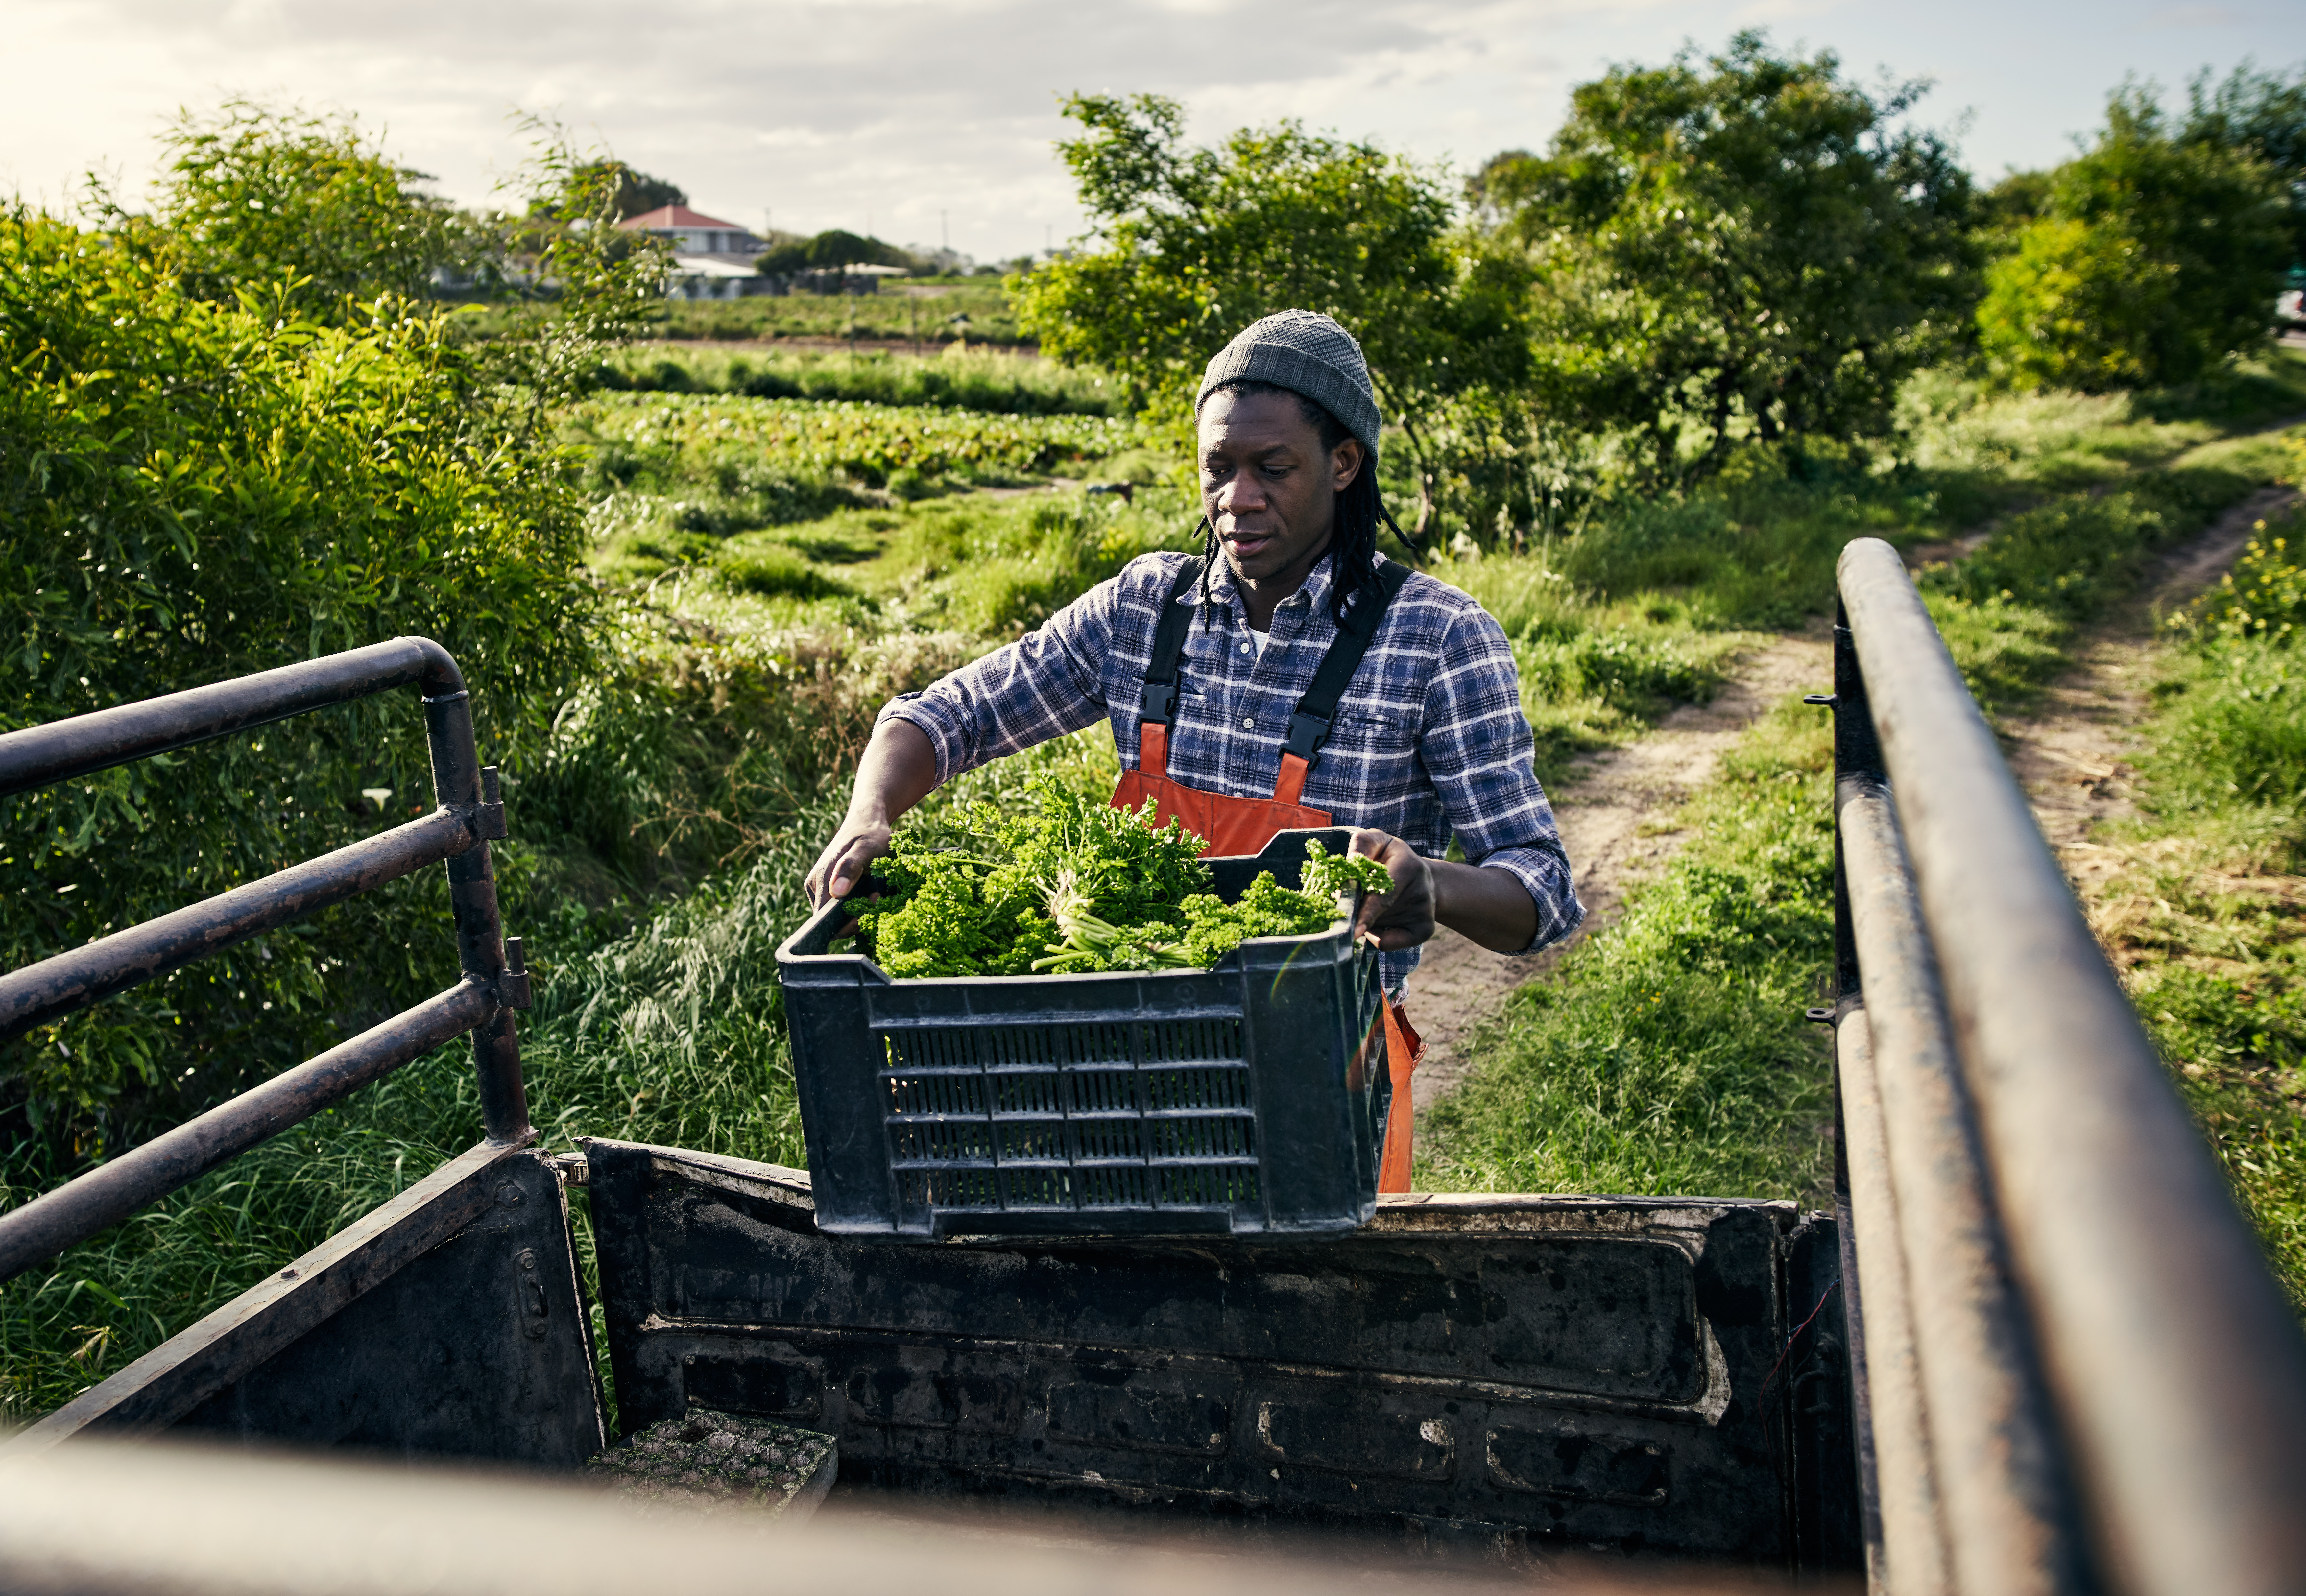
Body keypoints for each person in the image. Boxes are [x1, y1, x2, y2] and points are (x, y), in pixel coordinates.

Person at [805, 310, 1583, 1174]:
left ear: (1343, 463)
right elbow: (942, 716)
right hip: (1112, 1086)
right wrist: (869, 816)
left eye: (1272, 469)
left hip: (1320, 1093)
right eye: (1218, 468)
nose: (1237, 499)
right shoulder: (1145, 611)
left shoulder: (1436, 637)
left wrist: (1427, 883)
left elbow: (1540, 891)